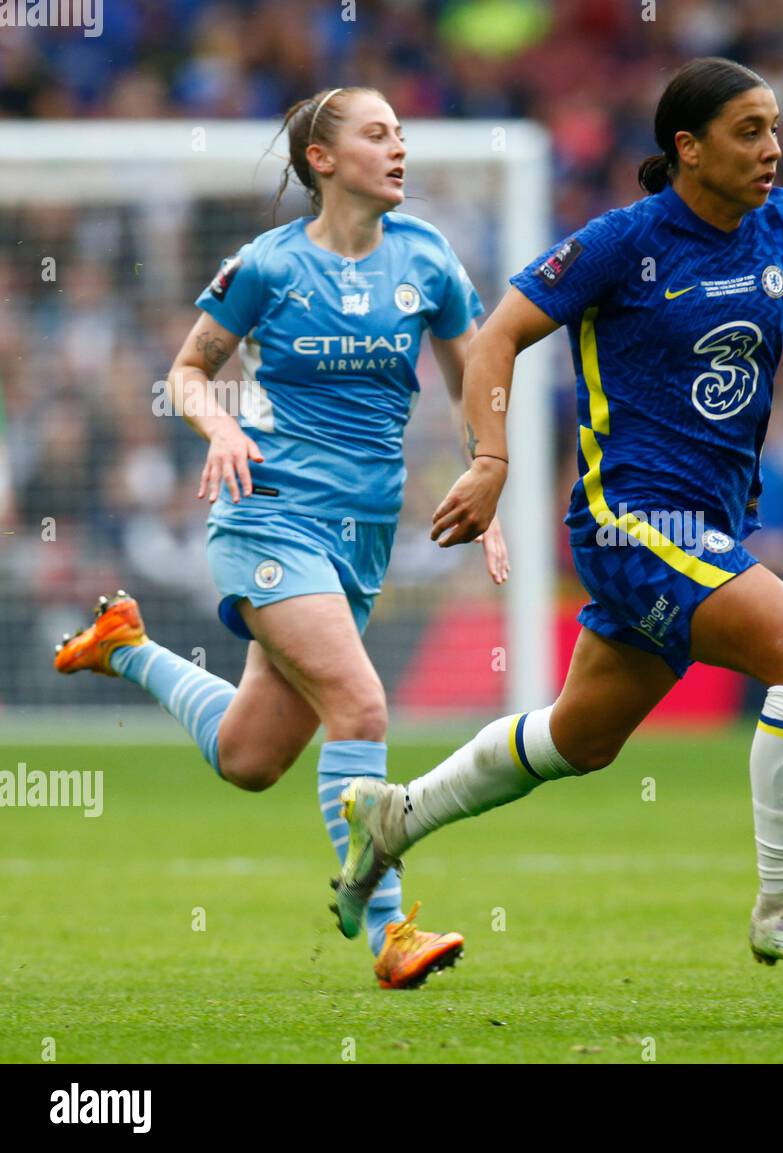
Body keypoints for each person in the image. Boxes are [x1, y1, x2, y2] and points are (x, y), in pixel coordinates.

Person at [331, 58, 783, 979]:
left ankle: (393, 816)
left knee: (581, 738)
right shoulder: (623, 243)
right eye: (748, 131)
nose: (773, 149)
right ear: (686, 149)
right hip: (631, 521)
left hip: (717, 524)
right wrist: (491, 462)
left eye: (775, 128)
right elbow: (496, 337)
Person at [54, 86, 507, 988]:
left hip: (361, 539)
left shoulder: (429, 258)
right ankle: (388, 926)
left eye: (402, 134)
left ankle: (127, 646)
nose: (399, 148)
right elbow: (187, 370)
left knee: (252, 759)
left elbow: (476, 379)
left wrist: (490, 472)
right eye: (377, 135)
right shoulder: (266, 265)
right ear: (323, 161)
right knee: (364, 708)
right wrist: (220, 424)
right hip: (268, 515)